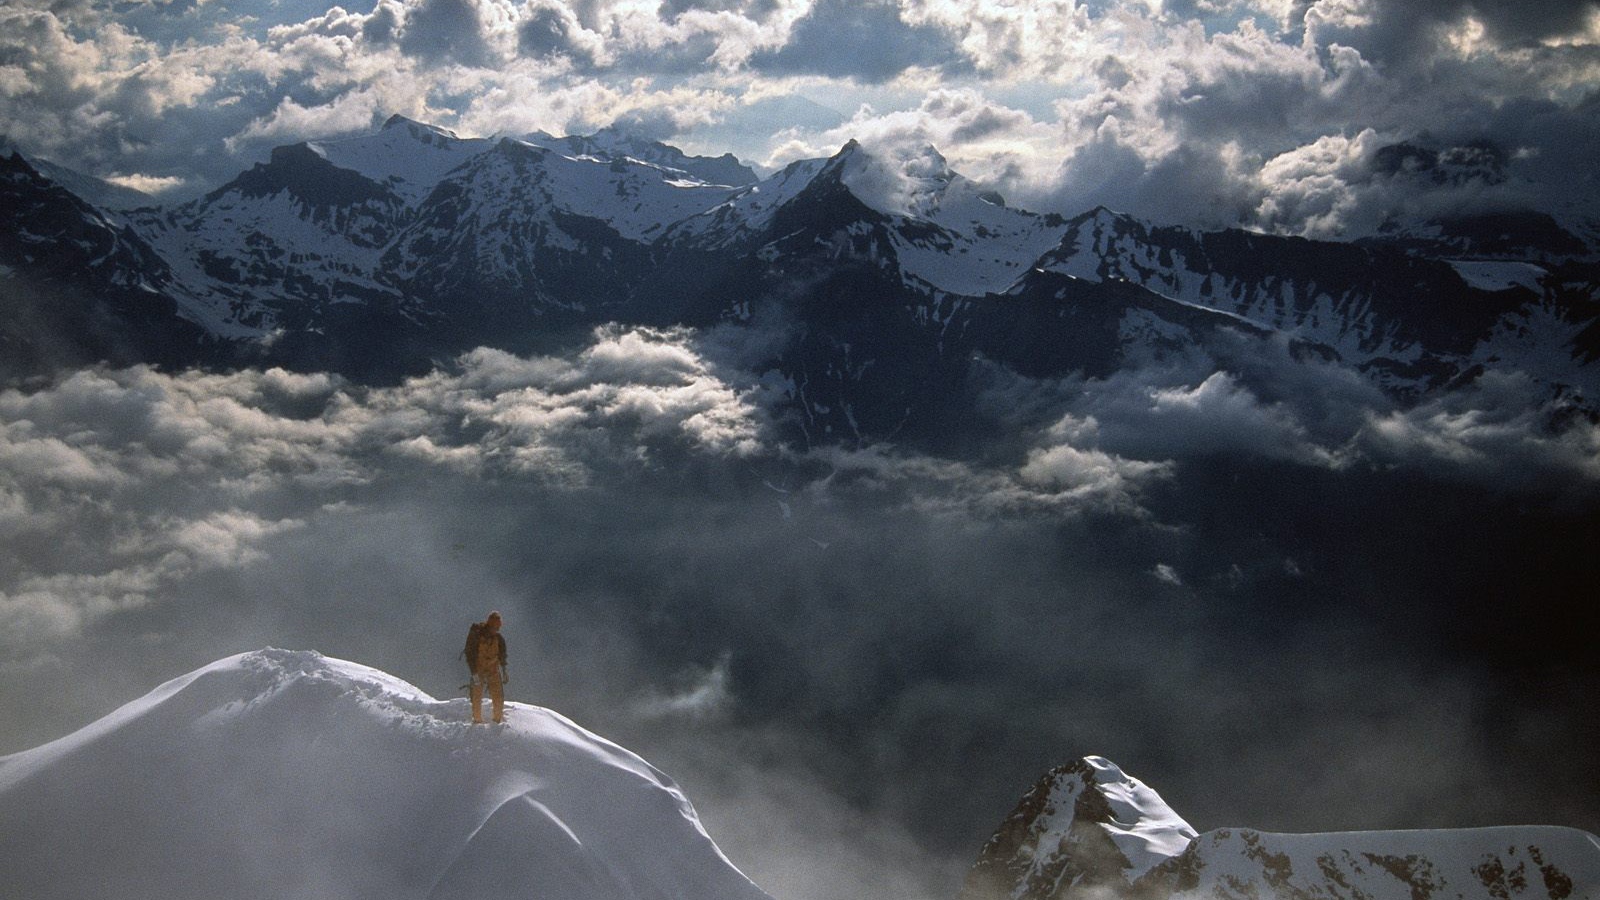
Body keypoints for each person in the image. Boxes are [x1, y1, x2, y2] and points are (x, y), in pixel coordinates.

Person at [464, 611, 507, 724]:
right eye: (495, 626)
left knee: (498, 694)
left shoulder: (498, 639)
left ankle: (497, 720)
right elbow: (470, 653)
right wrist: (474, 672)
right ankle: (477, 720)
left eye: (498, 627)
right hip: (479, 669)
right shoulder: (477, 635)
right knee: (477, 694)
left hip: (493, 669)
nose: (497, 629)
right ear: (490, 624)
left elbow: (502, 655)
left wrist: (504, 670)